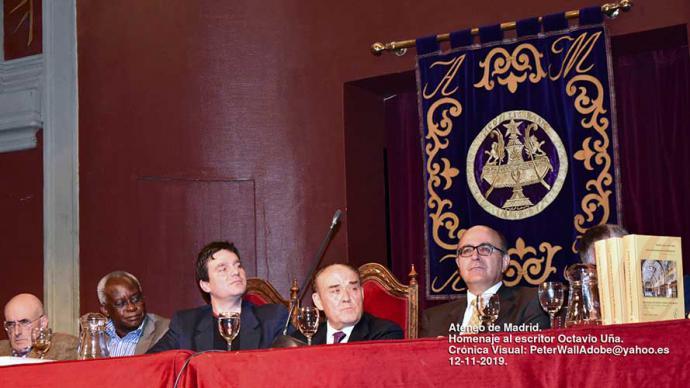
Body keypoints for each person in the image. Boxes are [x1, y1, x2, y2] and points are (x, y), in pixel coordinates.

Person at [147, 241, 287, 353]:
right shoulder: (186, 324)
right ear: (205, 285)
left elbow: (300, 356)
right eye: (223, 269)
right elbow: (150, 364)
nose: (235, 272)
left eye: (238, 266)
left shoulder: (273, 318)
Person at [420, 225, 549, 337]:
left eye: (485, 249)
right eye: (467, 250)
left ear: (504, 262)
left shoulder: (531, 303)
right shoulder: (433, 319)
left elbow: (531, 359)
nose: (475, 256)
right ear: (458, 263)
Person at [294, 264, 403, 344]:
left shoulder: (385, 334)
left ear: (362, 293)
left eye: (353, 289)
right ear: (318, 301)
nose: (346, 298)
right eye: (335, 291)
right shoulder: (302, 339)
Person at [97, 271, 170, 356]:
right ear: (105, 310)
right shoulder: (93, 337)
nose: (132, 308)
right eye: (120, 303)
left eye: (136, 299)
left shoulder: (165, 332)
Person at [1, 293, 78, 360]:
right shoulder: (2, 350)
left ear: (43, 323)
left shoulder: (64, 347)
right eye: (10, 324)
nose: (17, 332)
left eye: (24, 323)